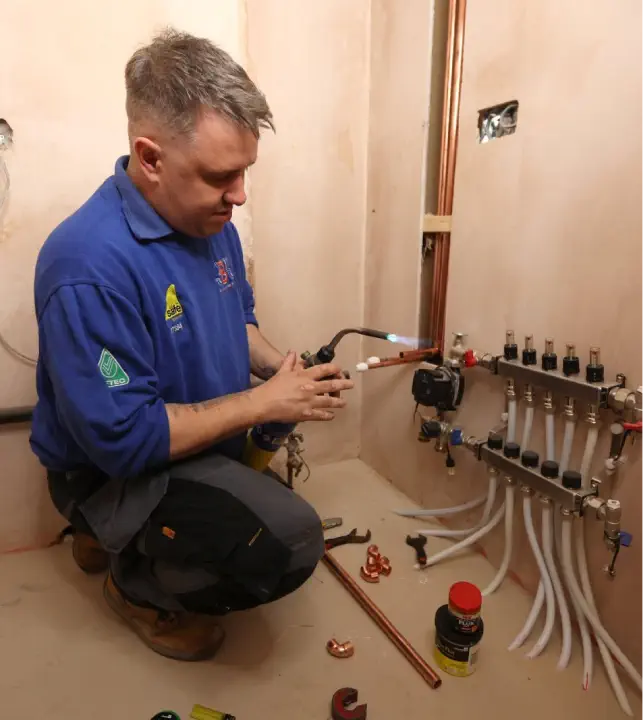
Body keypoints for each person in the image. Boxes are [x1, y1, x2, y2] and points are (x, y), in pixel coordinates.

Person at [30, 28, 354, 662]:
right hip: (108, 468)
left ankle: (109, 541)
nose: (239, 195)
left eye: (245, 173)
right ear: (150, 158)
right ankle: (136, 586)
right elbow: (126, 440)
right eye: (220, 176)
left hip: (185, 444)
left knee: (261, 510)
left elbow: (239, 320)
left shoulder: (210, 222)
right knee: (288, 541)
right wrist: (262, 406)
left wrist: (282, 372)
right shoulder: (87, 266)